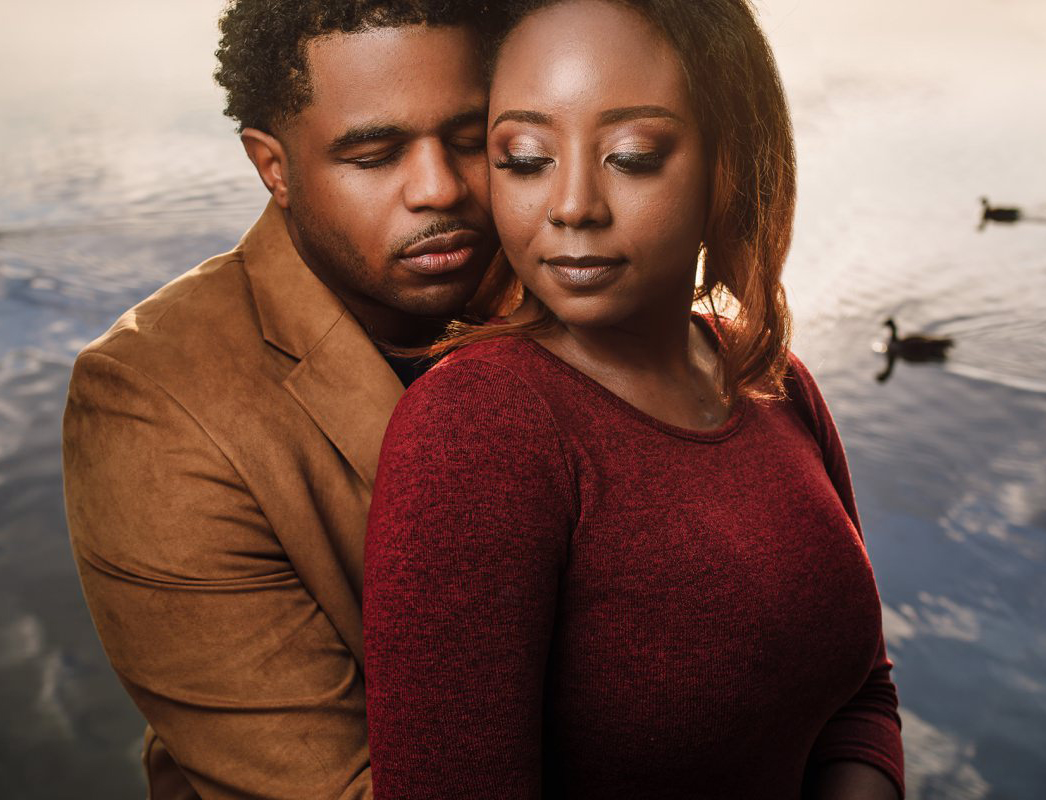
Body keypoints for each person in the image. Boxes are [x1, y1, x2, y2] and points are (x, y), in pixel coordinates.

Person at [363, 1, 905, 798]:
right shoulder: (476, 428)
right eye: (521, 156)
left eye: (632, 155)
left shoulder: (769, 376)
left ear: (731, 161)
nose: (573, 204)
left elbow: (860, 691)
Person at [61, 2, 498, 797]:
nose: (440, 189)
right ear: (273, 166)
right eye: (374, 154)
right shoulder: (150, 401)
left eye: (471, 140)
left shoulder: (570, 282)